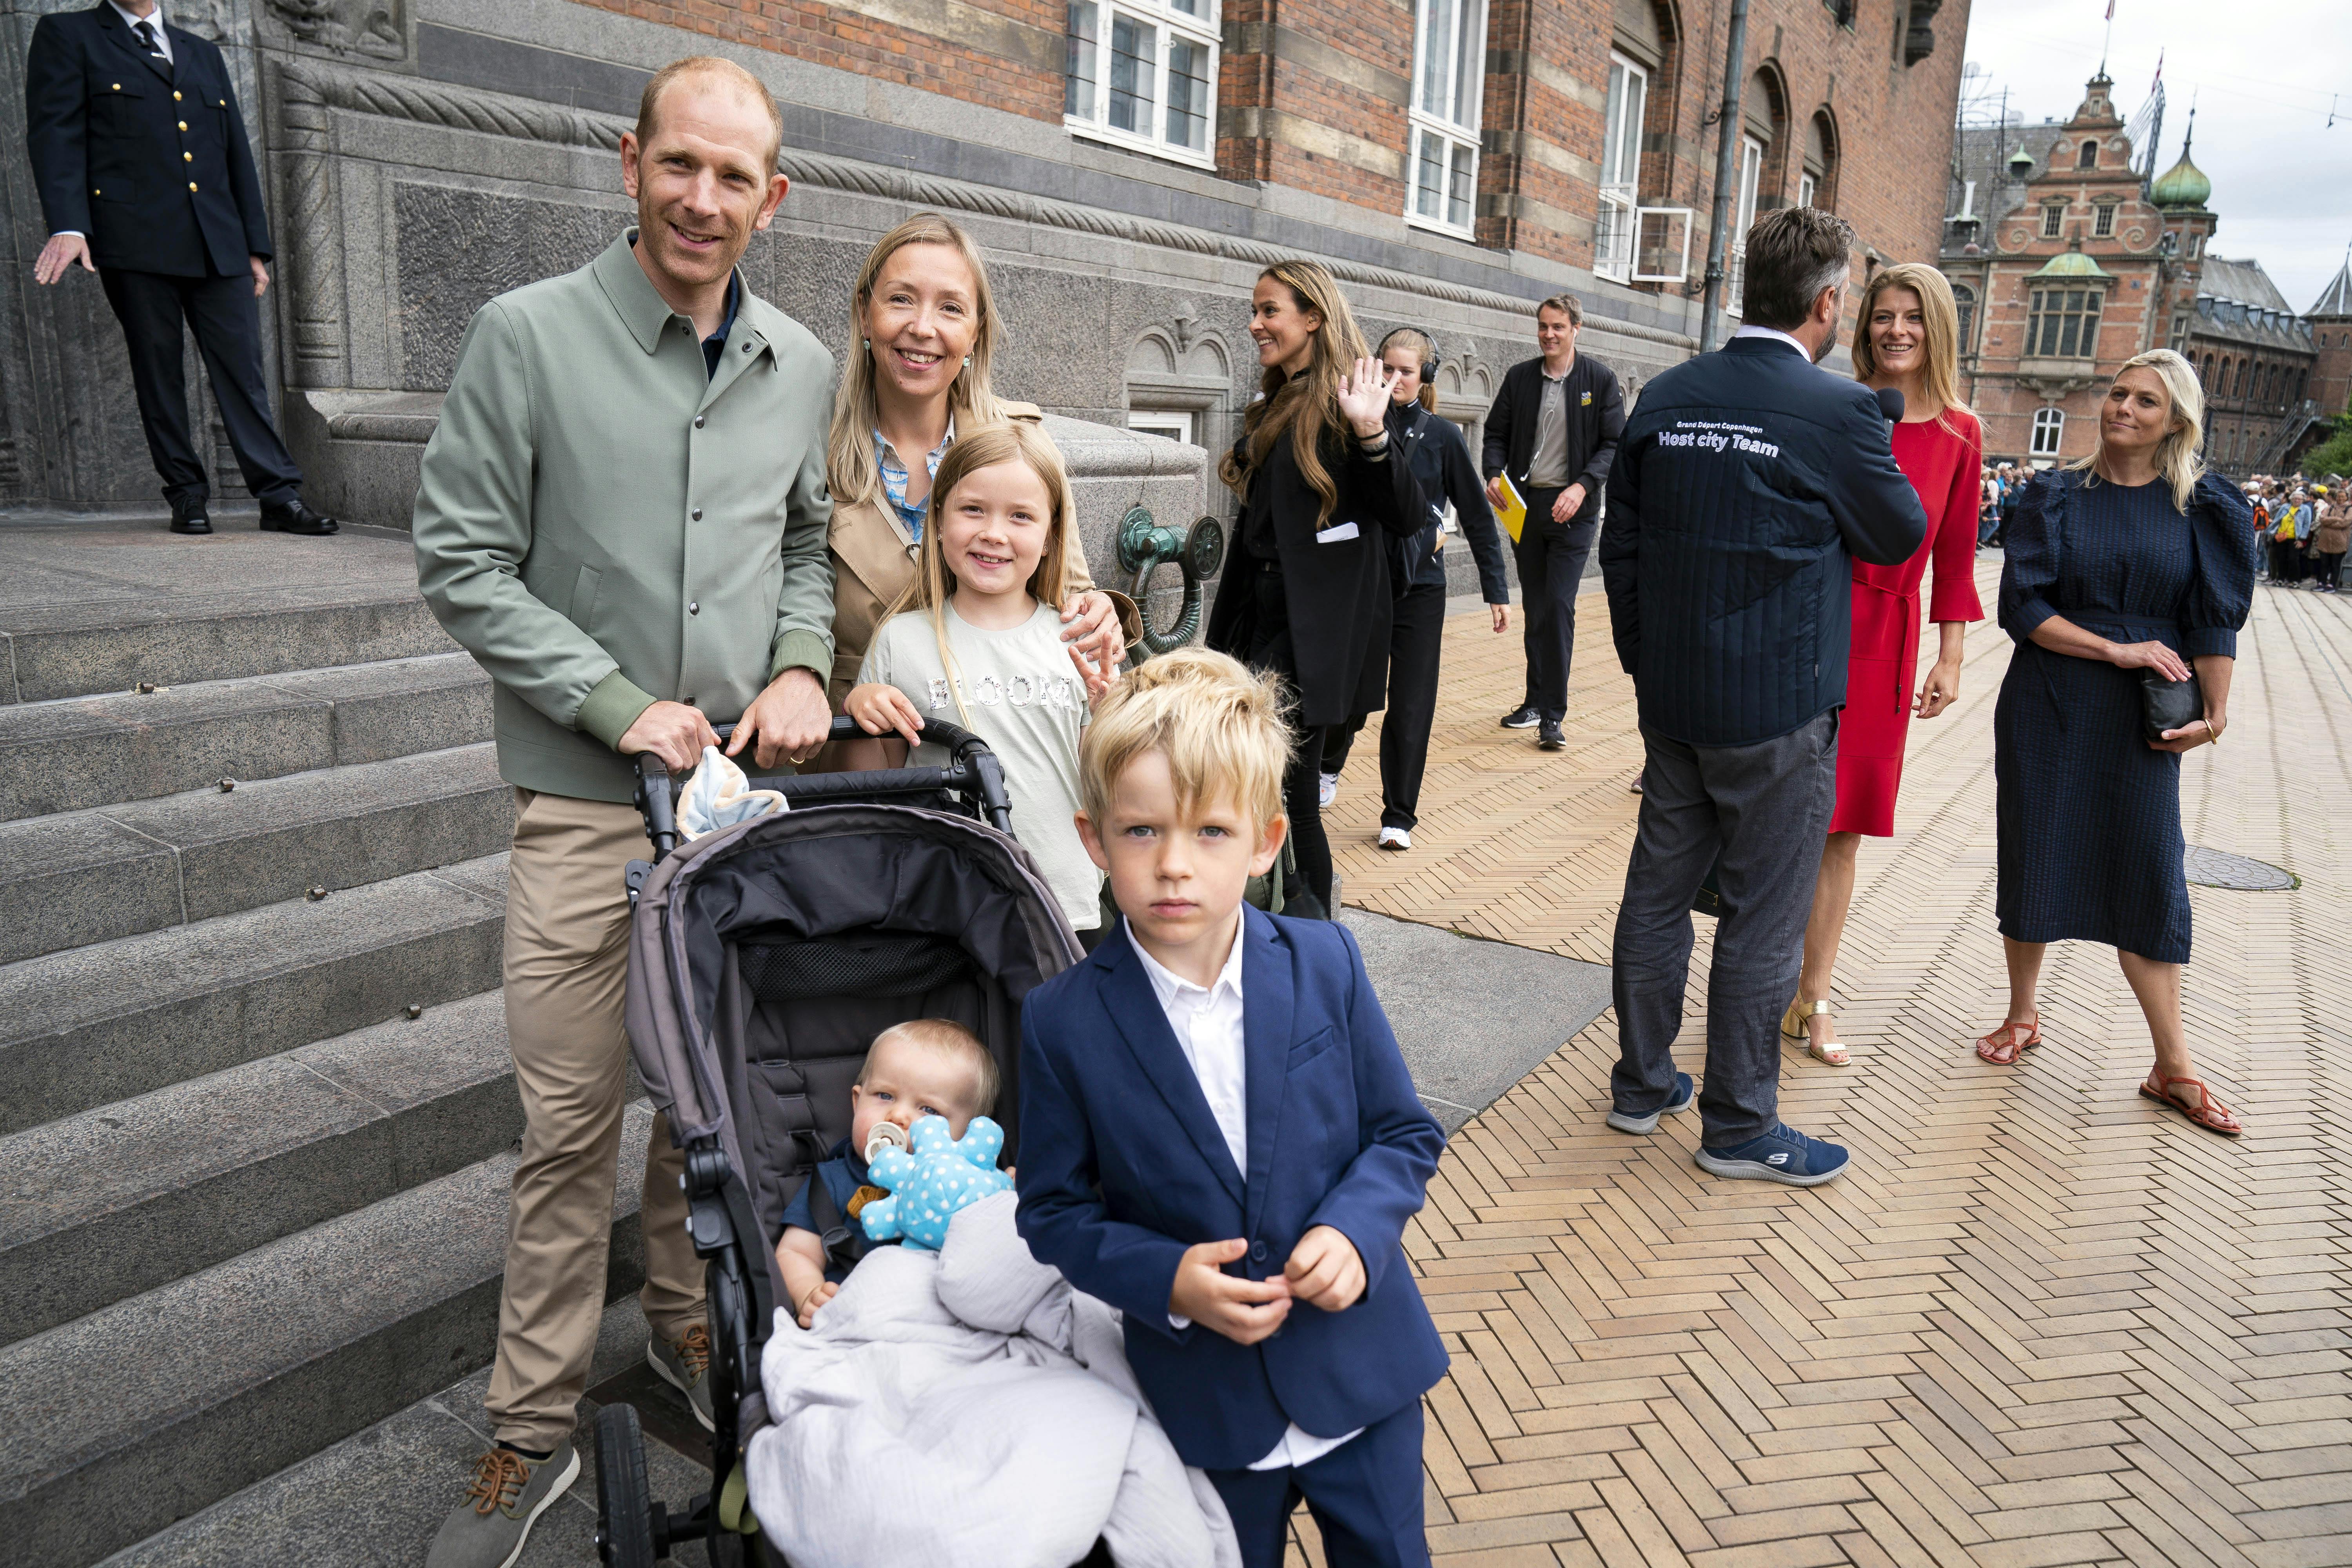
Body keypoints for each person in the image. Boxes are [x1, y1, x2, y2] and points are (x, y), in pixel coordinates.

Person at [411, 58, 838, 1568]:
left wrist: (800, 659)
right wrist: (612, 702)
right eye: (681, 167)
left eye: (736, 179)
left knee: (699, 1113)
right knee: (570, 1122)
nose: (703, 201)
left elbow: (801, 543)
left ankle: (686, 1334)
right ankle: (527, 1423)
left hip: (731, 812)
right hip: (591, 806)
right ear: (628, 162)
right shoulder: (525, 335)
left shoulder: (801, 358)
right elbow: (463, 558)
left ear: (772, 198)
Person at [1016, 648, 1448, 1568]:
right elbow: (1053, 1210)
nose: (1173, 865)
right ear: (1095, 840)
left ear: (1264, 840)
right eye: (1142, 833)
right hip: (1204, 1405)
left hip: (1358, 1375)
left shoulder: (1324, 961)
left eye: (1210, 832)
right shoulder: (1062, 1020)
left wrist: (1355, 1232)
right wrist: (1166, 1278)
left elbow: (1403, 1132)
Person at [1597, 207, 1927, 1187]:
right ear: (1829, 303)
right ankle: (1740, 1124)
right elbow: (1898, 533)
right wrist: (1883, 424)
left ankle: (1642, 1082)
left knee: (1656, 895)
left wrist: (1644, 660)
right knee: (1763, 916)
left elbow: (1623, 548)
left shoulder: (1666, 394)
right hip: (1779, 710)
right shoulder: (1836, 413)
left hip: (1677, 700)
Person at [1975, 350, 2253, 1136]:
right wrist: (2116, 649)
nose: (2124, 408)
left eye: (2147, 402)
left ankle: (2175, 1066)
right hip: (2051, 701)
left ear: (2177, 422)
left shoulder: (2203, 507)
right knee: (2036, 848)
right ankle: (2022, 1013)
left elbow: (2213, 619)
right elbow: (2023, 610)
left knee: (2149, 871)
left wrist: (2216, 712)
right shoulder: (2055, 494)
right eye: (2119, 393)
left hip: (2142, 722)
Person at [25, 0, 338, 537]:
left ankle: (278, 496)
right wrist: (70, 225)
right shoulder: (68, 34)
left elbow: (234, 150)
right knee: (158, 369)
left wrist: (254, 246)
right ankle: (187, 494)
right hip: (133, 237)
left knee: (244, 372)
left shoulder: (201, 51)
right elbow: (55, 133)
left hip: (218, 241)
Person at [1784, 265, 1984, 1067]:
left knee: (1842, 832)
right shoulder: (1838, 406)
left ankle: (1814, 996)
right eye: (1882, 318)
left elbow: (1958, 556)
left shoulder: (1963, 433)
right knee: (1783, 818)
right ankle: (1763, 978)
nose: (1895, 331)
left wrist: (1952, 654)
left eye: (1913, 318)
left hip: (1887, 642)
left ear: (1938, 328)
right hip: (1811, 623)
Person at [820, 213, 1131, 727]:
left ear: (974, 333)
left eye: (950, 308)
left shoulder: (1023, 444)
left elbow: (1070, 591)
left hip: (1006, 733)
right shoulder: (813, 449)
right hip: (861, 745)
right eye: (900, 299)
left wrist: (1096, 611)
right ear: (863, 313)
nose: (923, 327)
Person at [1203, 260, 1428, 918]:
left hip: (1309, 637)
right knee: (1264, 791)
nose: (1256, 324)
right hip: (1262, 621)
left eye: (1270, 311)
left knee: (1293, 801)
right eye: (1255, 309)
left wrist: (1371, 433)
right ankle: (1280, 930)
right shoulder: (1282, 397)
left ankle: (1315, 945)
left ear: (1313, 318)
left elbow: (1408, 514)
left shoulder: (1343, 401)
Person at [846, 421, 1114, 939]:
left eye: (1021, 516)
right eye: (973, 510)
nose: (994, 532)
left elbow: (1112, 781)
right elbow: (872, 791)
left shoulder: (1076, 637)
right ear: (940, 519)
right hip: (950, 910)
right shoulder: (900, 641)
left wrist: (1112, 710)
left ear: (1051, 533)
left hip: (1067, 906)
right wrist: (863, 710)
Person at [1317, 327, 1512, 850]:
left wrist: (1497, 589)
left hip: (1420, 588)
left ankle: (1399, 814)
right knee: (1354, 692)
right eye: (1388, 367)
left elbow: (1475, 514)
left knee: (1411, 703)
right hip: (1362, 584)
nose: (1395, 378)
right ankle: (1329, 764)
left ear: (1425, 375)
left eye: (1407, 370)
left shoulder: (1443, 436)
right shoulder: (1351, 425)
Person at [775, 1019, 997, 1328]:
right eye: (885, 1096)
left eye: (929, 1110)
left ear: (968, 1134)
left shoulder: (972, 1185)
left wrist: (1008, 1200)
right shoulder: (832, 1182)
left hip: (947, 1320)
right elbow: (795, 1251)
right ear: (857, 1101)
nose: (898, 1116)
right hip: (861, 1317)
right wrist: (809, 1293)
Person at [1481, 294, 1626, 751]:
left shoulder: (1598, 380)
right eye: (1543, 326)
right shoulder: (1520, 378)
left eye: (1558, 327)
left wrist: (1583, 486)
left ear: (1576, 329)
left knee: (1560, 606)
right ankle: (1534, 700)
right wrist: (1493, 474)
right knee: (1537, 606)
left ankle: (1553, 717)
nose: (1549, 335)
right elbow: (1495, 434)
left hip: (1574, 513)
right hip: (1526, 509)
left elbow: (1614, 443)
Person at [2312, 486, 2346, 592]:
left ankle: (2332, 584)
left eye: (2342, 497)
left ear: (2346, 498)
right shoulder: (2330, 508)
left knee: (2335, 564)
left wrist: (2329, 522)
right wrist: (2336, 519)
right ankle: (2321, 583)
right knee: (2324, 563)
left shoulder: (2349, 509)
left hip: (2340, 541)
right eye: (2339, 497)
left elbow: (2345, 523)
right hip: (2325, 540)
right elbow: (2322, 520)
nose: (2340, 499)